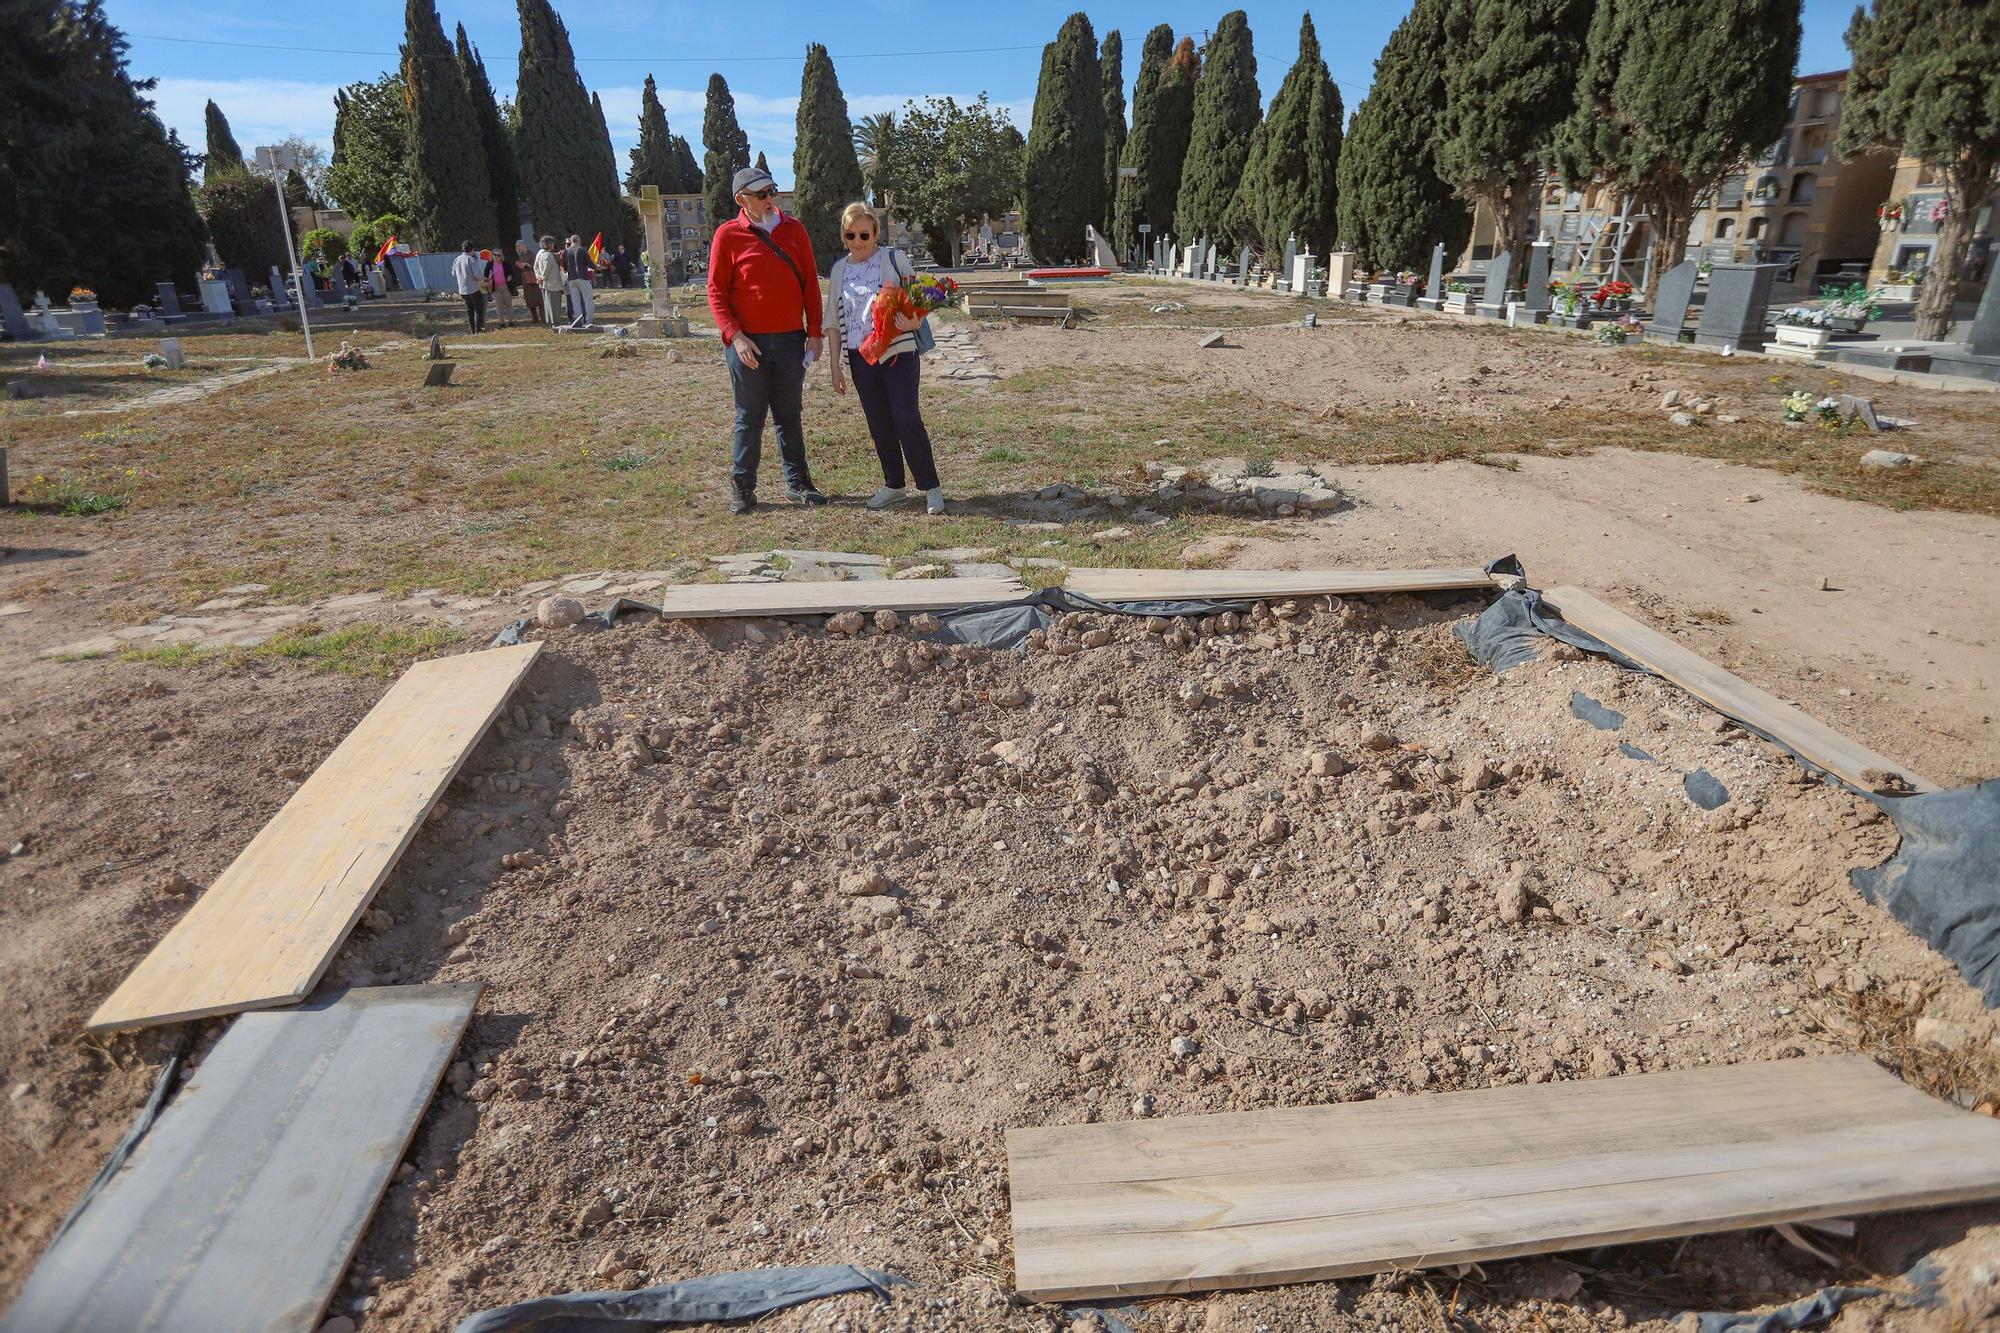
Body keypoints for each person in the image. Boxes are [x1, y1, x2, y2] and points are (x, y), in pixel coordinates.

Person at [706, 165, 826, 513]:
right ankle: (743, 489)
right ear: (742, 199)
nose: (771, 199)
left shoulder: (795, 230)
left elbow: (809, 286)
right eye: (762, 194)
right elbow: (716, 293)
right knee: (750, 416)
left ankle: (798, 483)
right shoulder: (728, 236)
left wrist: (814, 333)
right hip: (749, 343)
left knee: (789, 414)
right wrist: (736, 336)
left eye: (772, 191)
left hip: (790, 339)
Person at [826, 200, 944, 514]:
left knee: (906, 417)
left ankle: (931, 487)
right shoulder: (839, 270)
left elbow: (923, 294)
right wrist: (835, 365)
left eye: (864, 235)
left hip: (898, 353)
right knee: (879, 422)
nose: (858, 242)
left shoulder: (893, 258)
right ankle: (894, 485)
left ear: (875, 233)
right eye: (851, 236)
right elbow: (833, 322)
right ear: (844, 236)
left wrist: (914, 320)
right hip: (860, 357)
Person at [451, 239, 486, 334]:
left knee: (469, 311)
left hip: (462, 290)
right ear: (472, 249)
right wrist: (484, 279)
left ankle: (472, 330)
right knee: (479, 310)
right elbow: (477, 274)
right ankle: (479, 329)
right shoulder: (471, 259)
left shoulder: (457, 259)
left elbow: (453, 273)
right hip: (473, 289)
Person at [561, 234, 595, 328]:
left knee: (575, 301)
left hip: (571, 279)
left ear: (571, 241)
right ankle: (589, 321)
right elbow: (590, 264)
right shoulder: (582, 250)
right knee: (588, 299)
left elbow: (564, 266)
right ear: (579, 241)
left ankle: (578, 321)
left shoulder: (566, 252)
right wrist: (598, 267)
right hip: (583, 277)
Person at [533, 236, 564, 327]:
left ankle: (550, 321)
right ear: (549, 244)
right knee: (554, 304)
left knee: (548, 304)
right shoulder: (548, 255)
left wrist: (538, 276)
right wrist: (542, 277)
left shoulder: (540, 253)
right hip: (552, 284)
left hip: (544, 284)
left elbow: (536, 267)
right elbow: (547, 268)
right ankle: (556, 322)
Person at [517, 239, 543, 324]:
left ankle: (543, 317)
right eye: (517, 247)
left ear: (524, 245)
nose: (518, 248)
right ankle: (534, 318)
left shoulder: (531, 254)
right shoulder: (521, 256)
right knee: (529, 299)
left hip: (533, 278)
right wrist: (520, 265)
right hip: (526, 279)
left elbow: (536, 265)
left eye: (519, 245)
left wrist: (527, 264)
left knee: (538, 298)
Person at [488, 249, 515, 326]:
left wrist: (510, 276)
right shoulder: (489, 264)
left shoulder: (505, 264)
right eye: (495, 255)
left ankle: (511, 321)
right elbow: (485, 275)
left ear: (501, 256)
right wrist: (489, 277)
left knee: (508, 305)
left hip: (506, 287)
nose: (496, 256)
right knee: (499, 306)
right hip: (496, 288)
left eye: (498, 255)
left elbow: (512, 274)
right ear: (492, 255)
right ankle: (502, 323)